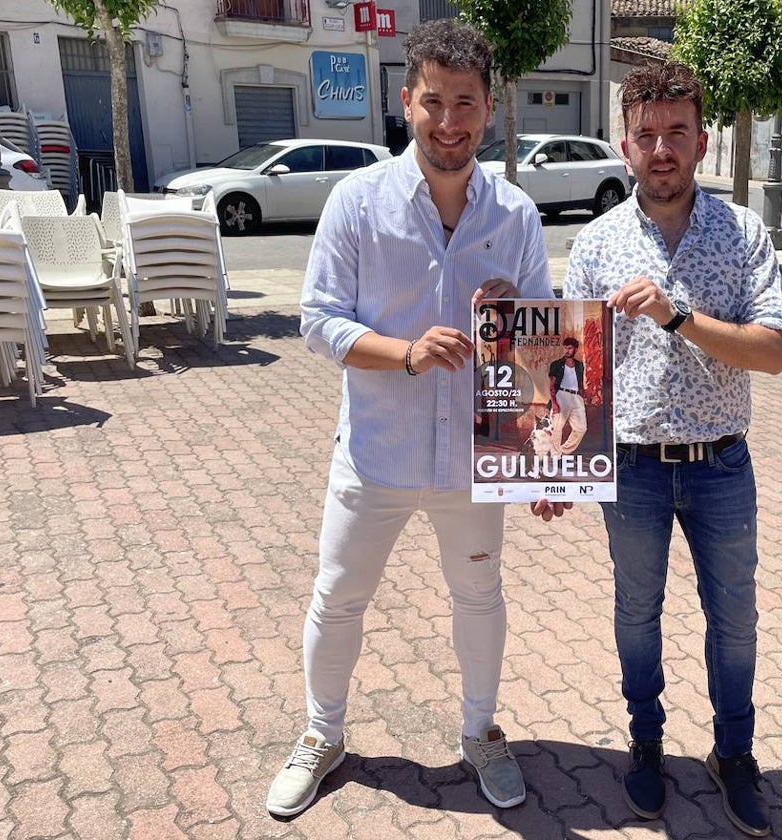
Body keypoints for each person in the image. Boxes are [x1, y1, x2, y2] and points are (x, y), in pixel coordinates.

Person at [269, 18, 567, 818]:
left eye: (464, 102)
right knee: (337, 598)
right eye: (433, 101)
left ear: (490, 108)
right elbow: (318, 320)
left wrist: (542, 448)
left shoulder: (515, 215)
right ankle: (322, 735)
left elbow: (545, 343)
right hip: (375, 454)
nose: (448, 120)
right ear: (406, 102)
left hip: (474, 459)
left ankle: (480, 734)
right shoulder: (356, 203)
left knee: (480, 597)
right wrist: (404, 352)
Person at [562, 62, 782, 837]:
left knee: (735, 621)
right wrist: (554, 463)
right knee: (637, 613)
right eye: (646, 135)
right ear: (625, 146)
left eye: (676, 133)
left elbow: (774, 351)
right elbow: (571, 366)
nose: (661, 148)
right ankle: (647, 743)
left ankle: (734, 754)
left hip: (722, 464)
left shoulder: (742, 233)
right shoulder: (595, 244)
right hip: (629, 468)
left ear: (702, 141)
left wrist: (679, 316)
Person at [547, 336, 587, 456]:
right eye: (565, 348)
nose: (567, 351)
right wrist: (554, 403)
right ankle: (556, 456)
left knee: (581, 428)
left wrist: (583, 396)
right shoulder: (557, 364)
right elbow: (552, 385)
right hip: (562, 396)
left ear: (575, 349)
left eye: (570, 348)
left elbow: (580, 383)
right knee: (557, 427)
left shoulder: (580, 365)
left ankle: (563, 451)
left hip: (576, 397)